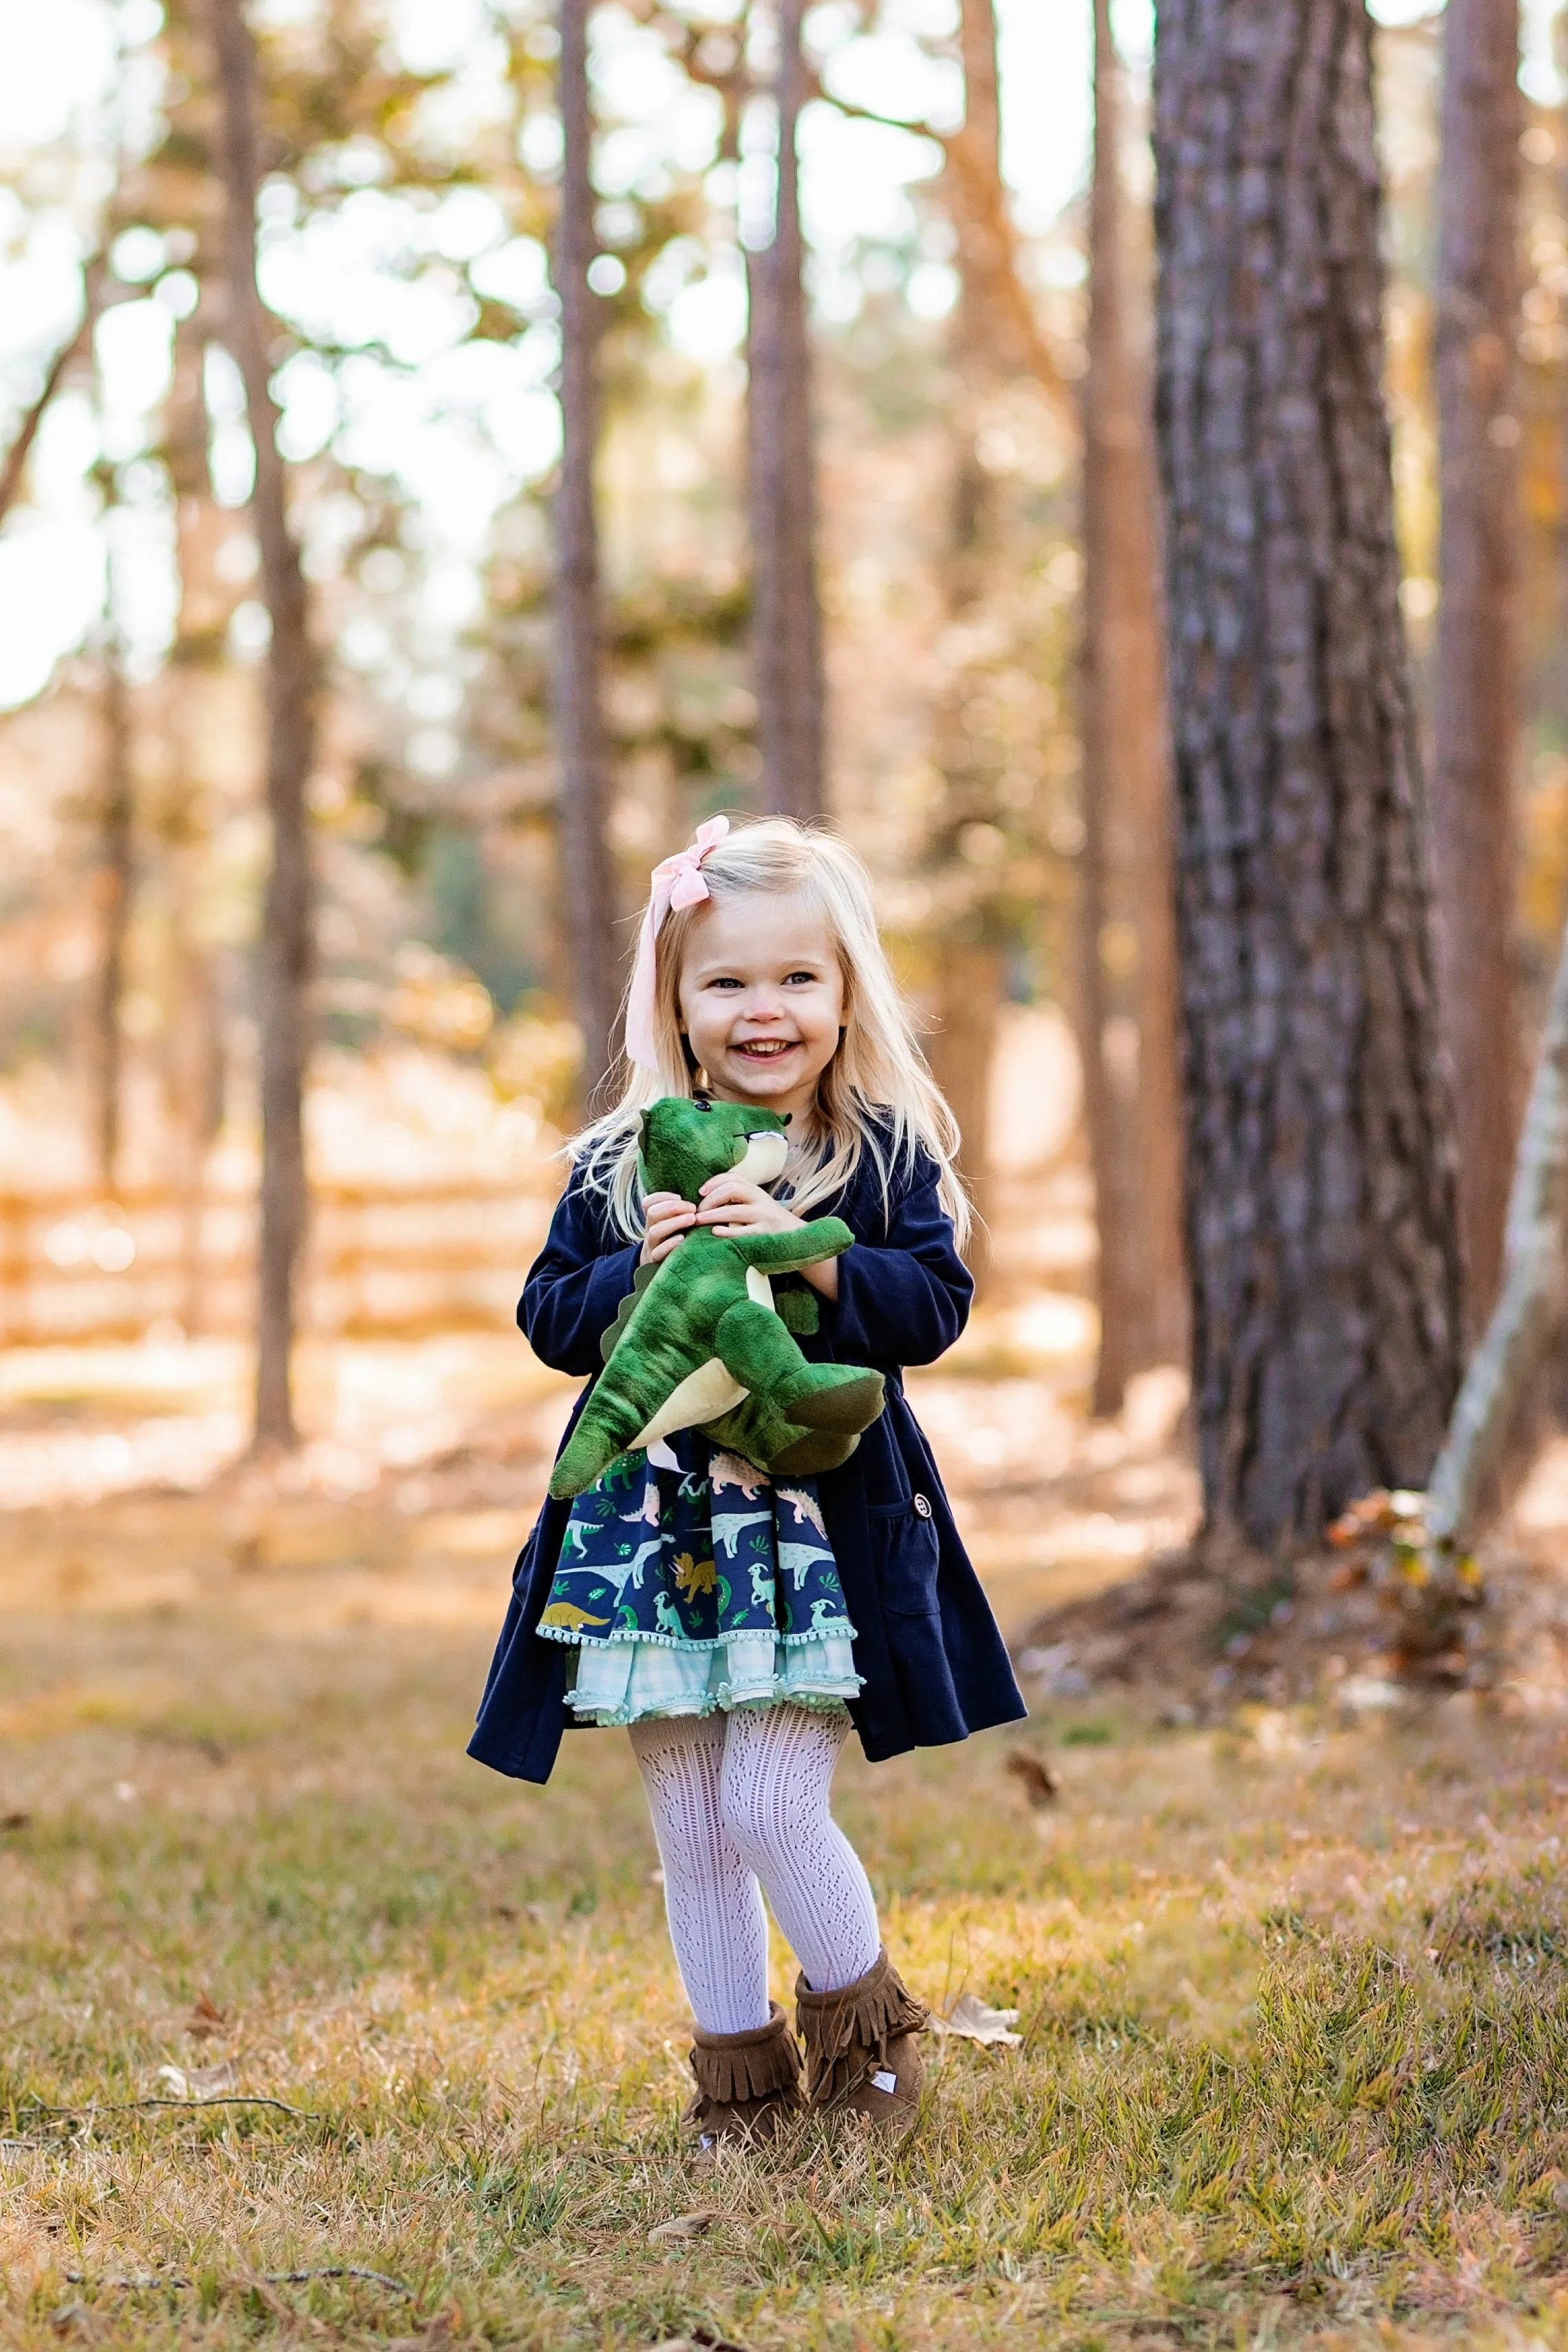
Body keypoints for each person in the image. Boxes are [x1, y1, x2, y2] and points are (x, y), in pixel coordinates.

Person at [469, 815, 1025, 2152]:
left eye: (795, 978)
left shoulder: (878, 1152)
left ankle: (867, 2035)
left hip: (808, 1537)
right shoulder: (616, 1160)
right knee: (694, 1818)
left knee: (771, 1800)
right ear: (673, 1000)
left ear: (846, 993)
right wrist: (631, 1271)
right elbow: (547, 1315)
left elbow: (932, 1305)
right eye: (724, 981)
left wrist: (815, 1254)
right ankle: (740, 2092)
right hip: (653, 1545)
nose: (761, 1009)